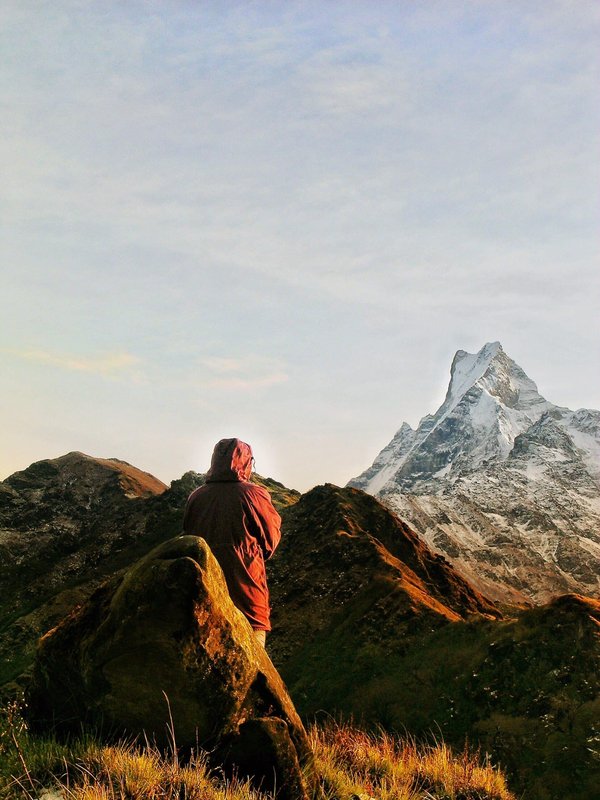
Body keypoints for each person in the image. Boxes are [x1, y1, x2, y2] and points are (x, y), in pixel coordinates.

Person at [183, 438, 281, 647]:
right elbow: (270, 542)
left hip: (204, 599)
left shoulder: (196, 498)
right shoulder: (255, 495)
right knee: (253, 668)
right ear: (246, 462)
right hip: (248, 596)